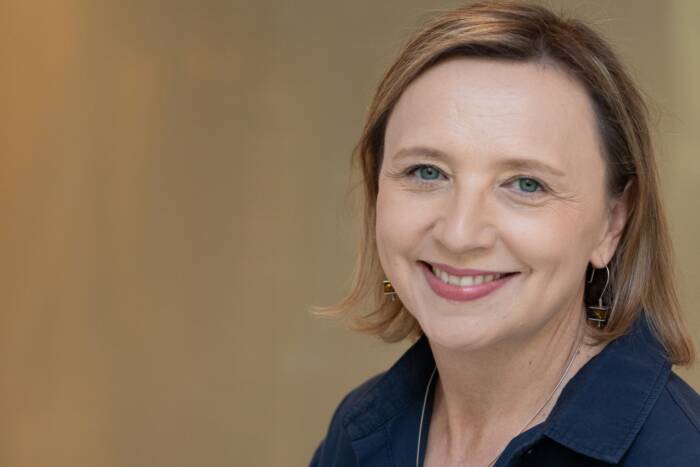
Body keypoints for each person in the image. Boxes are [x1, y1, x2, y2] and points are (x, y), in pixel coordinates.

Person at [310, 1, 700, 466]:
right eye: (427, 171)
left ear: (613, 221)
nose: (460, 234)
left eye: (526, 184)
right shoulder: (359, 432)